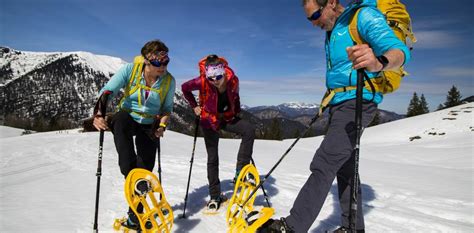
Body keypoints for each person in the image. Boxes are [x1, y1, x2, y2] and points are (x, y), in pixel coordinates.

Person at [258, 0, 411, 232]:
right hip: (340, 104)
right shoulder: (333, 31)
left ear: (331, 3)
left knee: (324, 162)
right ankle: (352, 227)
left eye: (316, 14)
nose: (313, 22)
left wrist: (379, 61)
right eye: (309, 18)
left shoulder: (362, 17)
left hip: (359, 100)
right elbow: (341, 75)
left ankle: (292, 227)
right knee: (345, 168)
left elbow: (399, 51)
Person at [92, 39, 176, 229]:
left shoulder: (168, 81)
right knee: (120, 125)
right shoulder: (130, 70)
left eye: (166, 61)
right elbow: (107, 93)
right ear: (146, 61)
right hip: (128, 117)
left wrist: (161, 126)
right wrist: (98, 114)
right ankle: (131, 176)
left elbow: (167, 109)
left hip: (150, 124)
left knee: (144, 173)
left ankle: (134, 216)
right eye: (157, 62)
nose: (162, 66)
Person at [181, 54, 256, 211]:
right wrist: (194, 105)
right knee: (213, 157)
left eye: (218, 76)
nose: (214, 80)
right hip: (209, 120)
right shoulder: (202, 81)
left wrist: (237, 111)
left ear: (224, 72)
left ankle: (240, 172)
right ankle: (215, 196)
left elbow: (235, 96)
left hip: (227, 118)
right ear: (206, 75)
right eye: (211, 77)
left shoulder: (233, 80)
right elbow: (184, 88)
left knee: (248, 129)